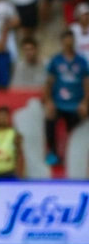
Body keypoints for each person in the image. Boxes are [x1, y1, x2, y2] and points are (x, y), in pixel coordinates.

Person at [43, 30, 89, 165]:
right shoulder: (56, 60)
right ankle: (53, 153)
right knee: (49, 118)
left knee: (79, 129)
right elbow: (48, 83)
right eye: (66, 40)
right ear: (62, 42)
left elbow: (87, 84)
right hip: (58, 103)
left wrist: (85, 103)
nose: (68, 42)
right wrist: (49, 102)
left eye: (71, 39)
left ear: (74, 41)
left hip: (76, 104)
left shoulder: (81, 61)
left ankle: (76, 156)